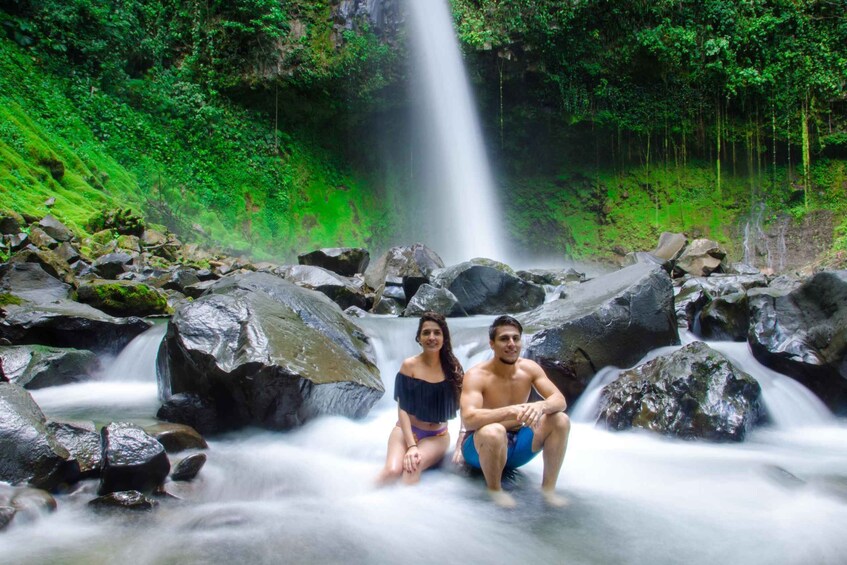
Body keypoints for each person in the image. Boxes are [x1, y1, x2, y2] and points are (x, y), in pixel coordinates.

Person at [456, 315, 570, 507]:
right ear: (492, 344)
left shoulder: (529, 369)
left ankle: (548, 489)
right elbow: (469, 419)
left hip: (517, 446)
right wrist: (511, 411)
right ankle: (494, 490)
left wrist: (539, 406)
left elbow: (559, 400)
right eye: (504, 339)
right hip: (479, 448)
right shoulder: (476, 375)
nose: (511, 344)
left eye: (516, 338)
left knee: (560, 420)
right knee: (494, 431)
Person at [377, 311, 463, 485]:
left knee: (412, 467)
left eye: (437, 332)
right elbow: (402, 408)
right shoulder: (409, 366)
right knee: (391, 471)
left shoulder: (453, 369)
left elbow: (466, 408)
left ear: (444, 337)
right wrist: (411, 445)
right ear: (419, 338)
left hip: (436, 436)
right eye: (426, 332)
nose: (431, 337)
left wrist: (461, 443)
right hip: (405, 430)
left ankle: (404, 509)